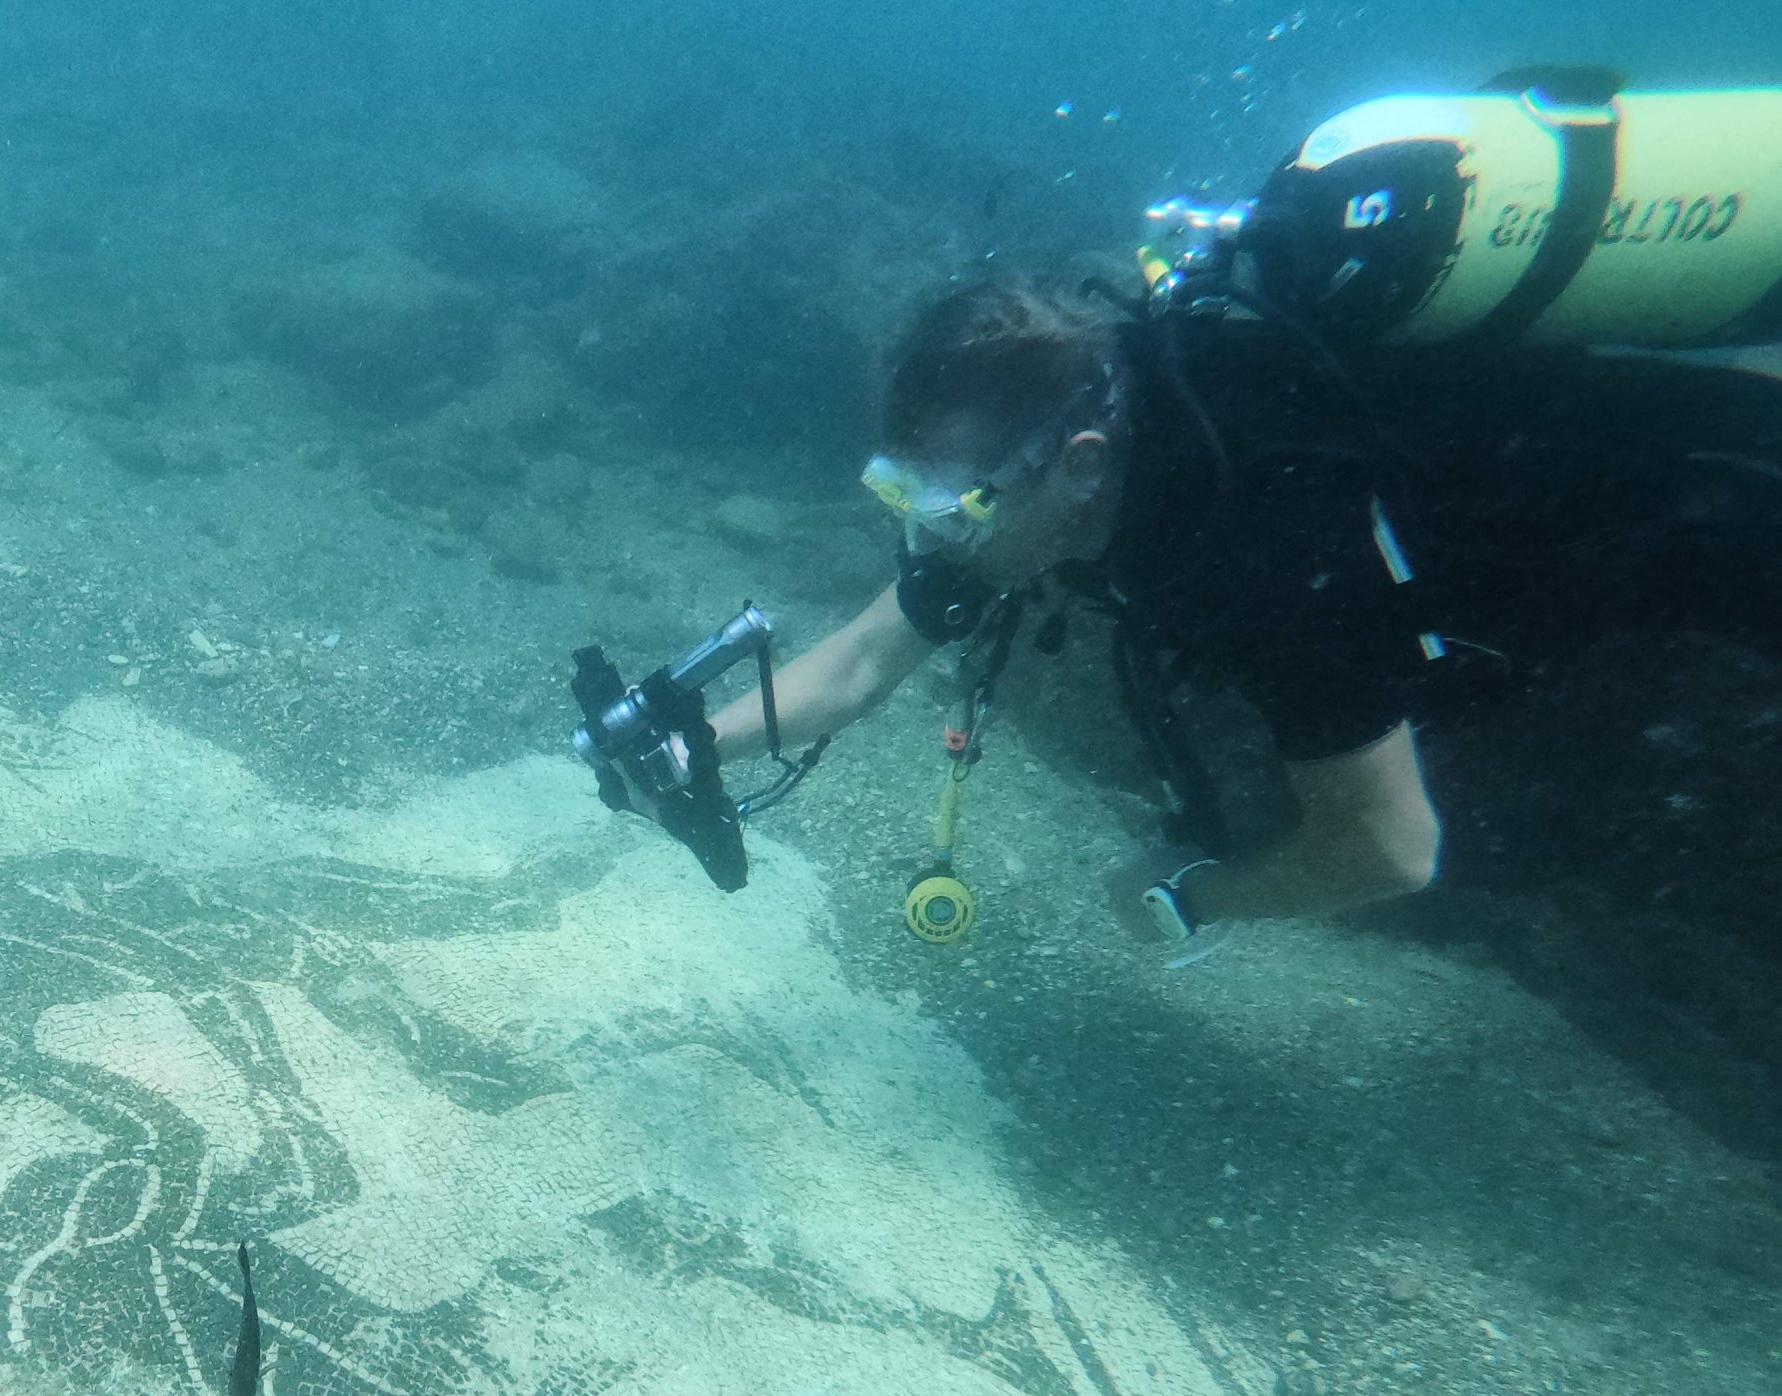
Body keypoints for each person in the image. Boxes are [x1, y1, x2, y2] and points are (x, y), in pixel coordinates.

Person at [707, 270, 1782, 942]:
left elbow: (1393, 846)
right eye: (903, 493)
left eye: (952, 504)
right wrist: (682, 746)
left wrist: (1189, 894)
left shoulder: (1256, 545)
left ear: (1080, 462)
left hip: (1718, 521)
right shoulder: (1085, 431)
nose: (929, 534)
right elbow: (855, 665)